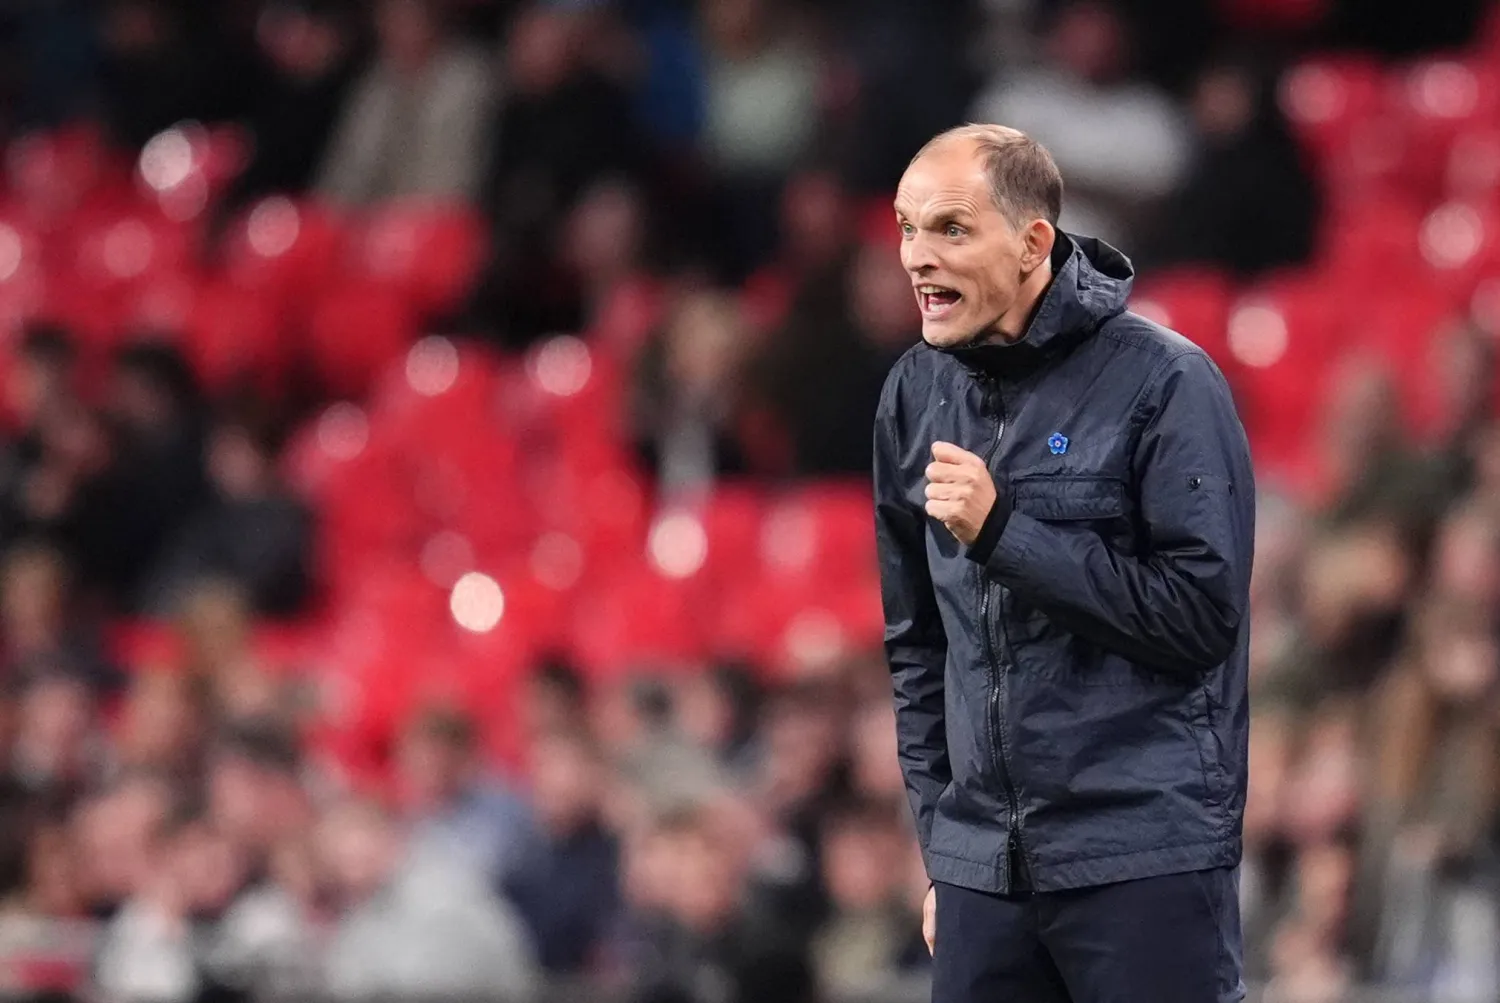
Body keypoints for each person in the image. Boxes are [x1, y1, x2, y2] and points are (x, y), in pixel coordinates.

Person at [872, 124, 1254, 1003]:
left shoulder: (1166, 382)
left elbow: (1200, 615)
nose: (916, 259)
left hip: (1141, 853)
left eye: (950, 230)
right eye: (905, 228)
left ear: (1033, 241)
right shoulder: (911, 395)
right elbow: (914, 650)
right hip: (983, 877)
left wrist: (1008, 533)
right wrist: (946, 851)